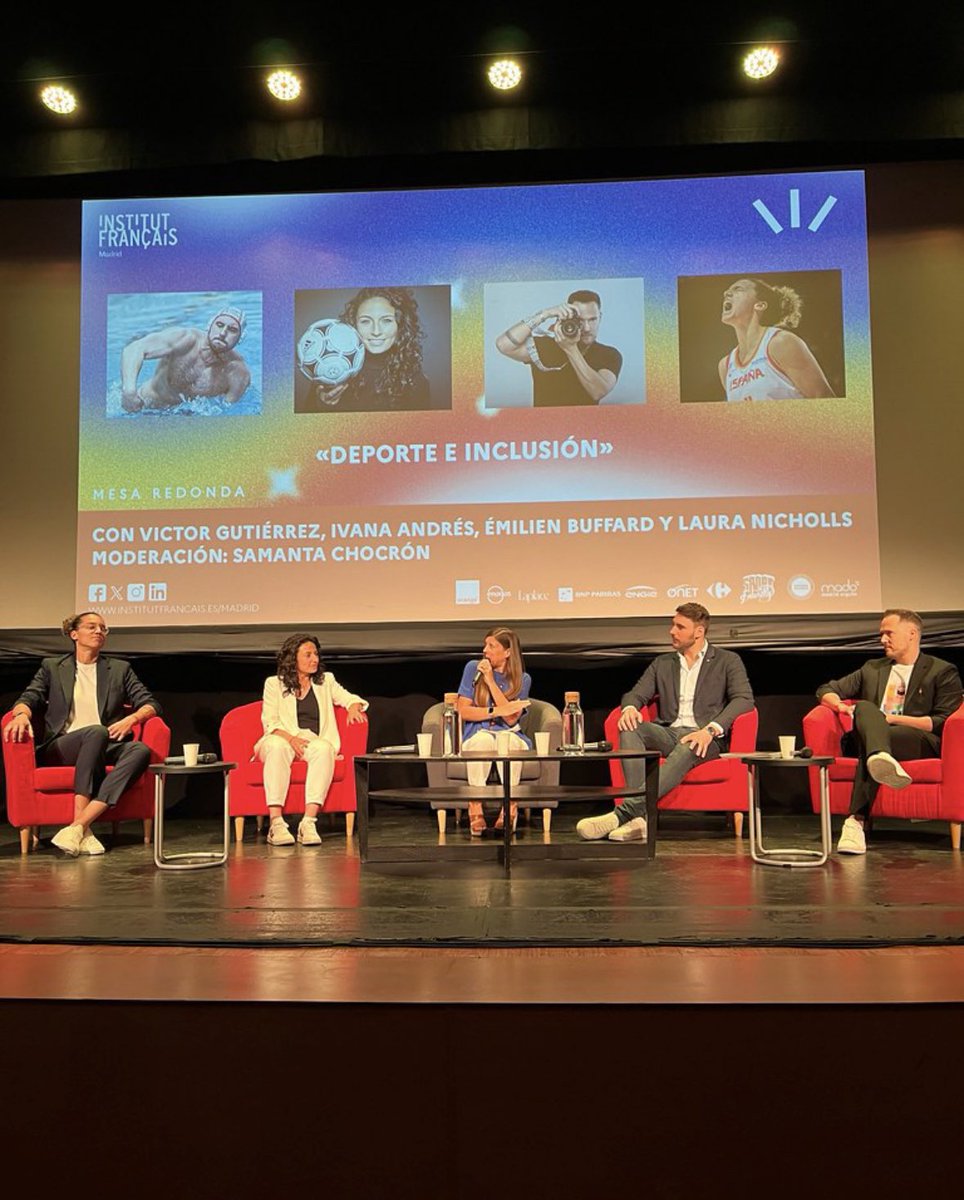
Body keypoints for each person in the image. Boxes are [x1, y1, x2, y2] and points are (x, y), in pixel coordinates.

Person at [577, 604, 753, 843]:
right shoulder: (663, 663)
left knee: (689, 743)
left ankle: (626, 815)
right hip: (670, 732)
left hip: (707, 738)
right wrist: (629, 708)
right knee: (630, 726)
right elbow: (635, 694)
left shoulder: (727, 660)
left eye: (680, 627)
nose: (672, 631)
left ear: (699, 632)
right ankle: (638, 821)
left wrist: (710, 730)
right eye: (673, 625)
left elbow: (744, 699)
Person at [3, 612, 161, 856]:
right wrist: (21, 715)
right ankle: (82, 827)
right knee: (96, 732)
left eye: (103, 628)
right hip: (63, 747)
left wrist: (132, 719)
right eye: (92, 627)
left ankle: (79, 826)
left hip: (103, 745)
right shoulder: (53, 667)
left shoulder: (119, 669)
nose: (99, 631)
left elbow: (150, 703)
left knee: (139, 750)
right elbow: (29, 697)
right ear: (74, 634)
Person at [816, 609, 963, 855]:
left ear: (912, 634)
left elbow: (941, 721)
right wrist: (841, 706)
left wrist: (891, 719)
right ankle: (879, 757)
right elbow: (826, 689)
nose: (882, 639)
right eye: (881, 634)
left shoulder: (942, 671)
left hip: (915, 739)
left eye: (888, 633)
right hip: (870, 734)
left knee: (873, 738)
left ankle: (856, 822)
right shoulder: (873, 668)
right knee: (864, 708)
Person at [255, 634, 368, 846]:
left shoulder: (326, 681)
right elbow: (270, 722)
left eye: (316, 654)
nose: (314, 659)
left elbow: (349, 697)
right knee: (278, 747)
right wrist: (291, 739)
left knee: (324, 749)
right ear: (293, 659)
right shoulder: (273, 684)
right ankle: (276, 824)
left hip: (310, 741)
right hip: (279, 738)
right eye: (308, 654)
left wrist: (353, 706)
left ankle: (308, 822)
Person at [456, 627, 531, 836]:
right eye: (485, 645)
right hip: (478, 733)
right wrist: (496, 711)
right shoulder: (473, 668)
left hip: (511, 733)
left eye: (492, 646)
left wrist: (489, 680)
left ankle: (510, 807)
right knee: (482, 742)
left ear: (507, 652)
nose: (485, 651)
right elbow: (463, 710)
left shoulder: (522, 679)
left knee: (507, 741)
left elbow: (510, 719)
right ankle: (475, 806)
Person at [495, 289, 622, 406]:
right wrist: (545, 314)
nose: (587, 328)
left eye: (593, 319)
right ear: (569, 318)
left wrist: (570, 348)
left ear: (601, 318)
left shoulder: (609, 354)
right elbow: (503, 345)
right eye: (581, 320)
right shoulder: (547, 346)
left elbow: (598, 391)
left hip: (583, 427)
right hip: (545, 427)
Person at [312, 287, 430, 411]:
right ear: (354, 325)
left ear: (400, 326)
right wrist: (322, 405)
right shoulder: (328, 368)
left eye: (386, 321)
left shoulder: (416, 382)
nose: (376, 331)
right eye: (365, 321)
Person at [718, 278, 834, 400]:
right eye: (728, 291)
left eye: (738, 289)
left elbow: (825, 399)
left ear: (760, 305)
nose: (726, 293)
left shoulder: (781, 343)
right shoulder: (725, 366)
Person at [121, 306, 251, 410]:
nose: (223, 333)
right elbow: (133, 349)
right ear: (210, 326)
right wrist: (129, 392)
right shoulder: (185, 339)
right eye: (220, 325)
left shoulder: (238, 373)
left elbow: (228, 413)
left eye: (232, 330)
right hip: (143, 408)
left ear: (240, 338)